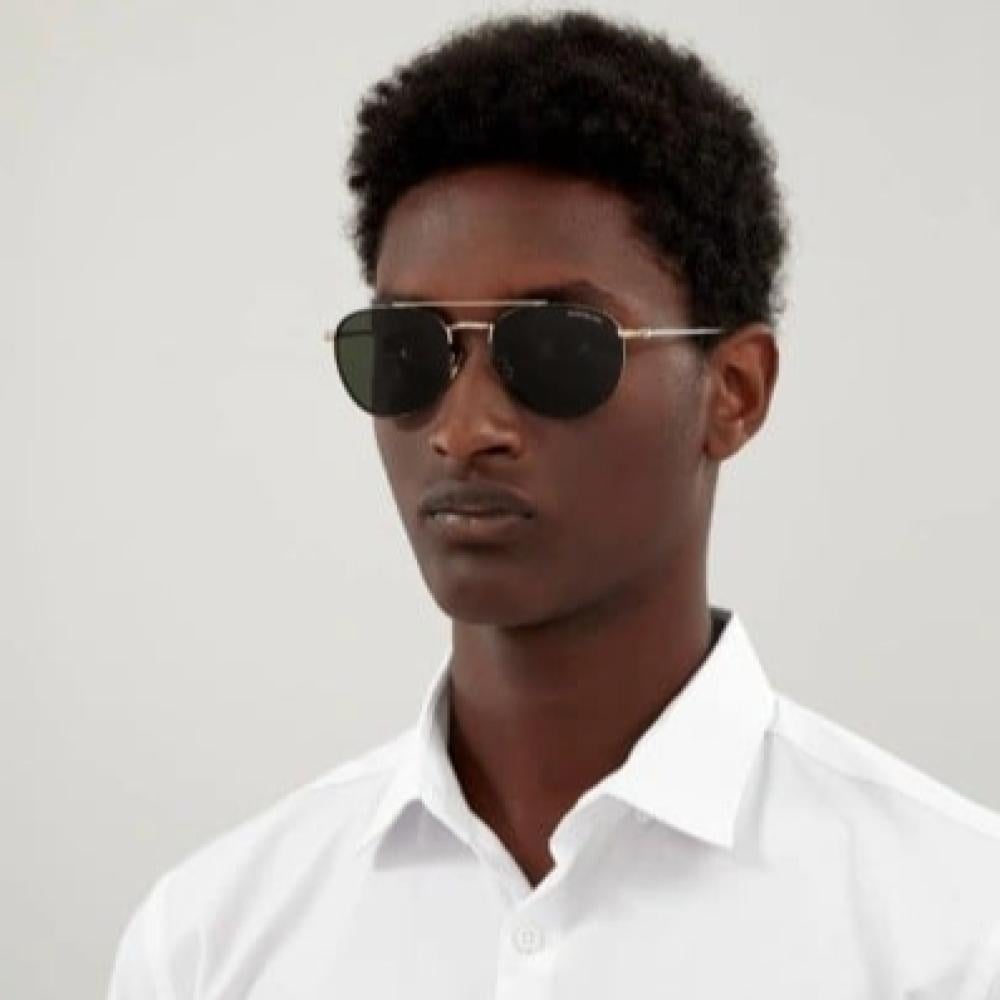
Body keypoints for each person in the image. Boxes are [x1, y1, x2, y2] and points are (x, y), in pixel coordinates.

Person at [108, 10, 1000, 998]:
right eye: (407, 349)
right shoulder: (209, 942)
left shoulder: (956, 932)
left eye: (558, 346)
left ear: (734, 392)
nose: (462, 428)